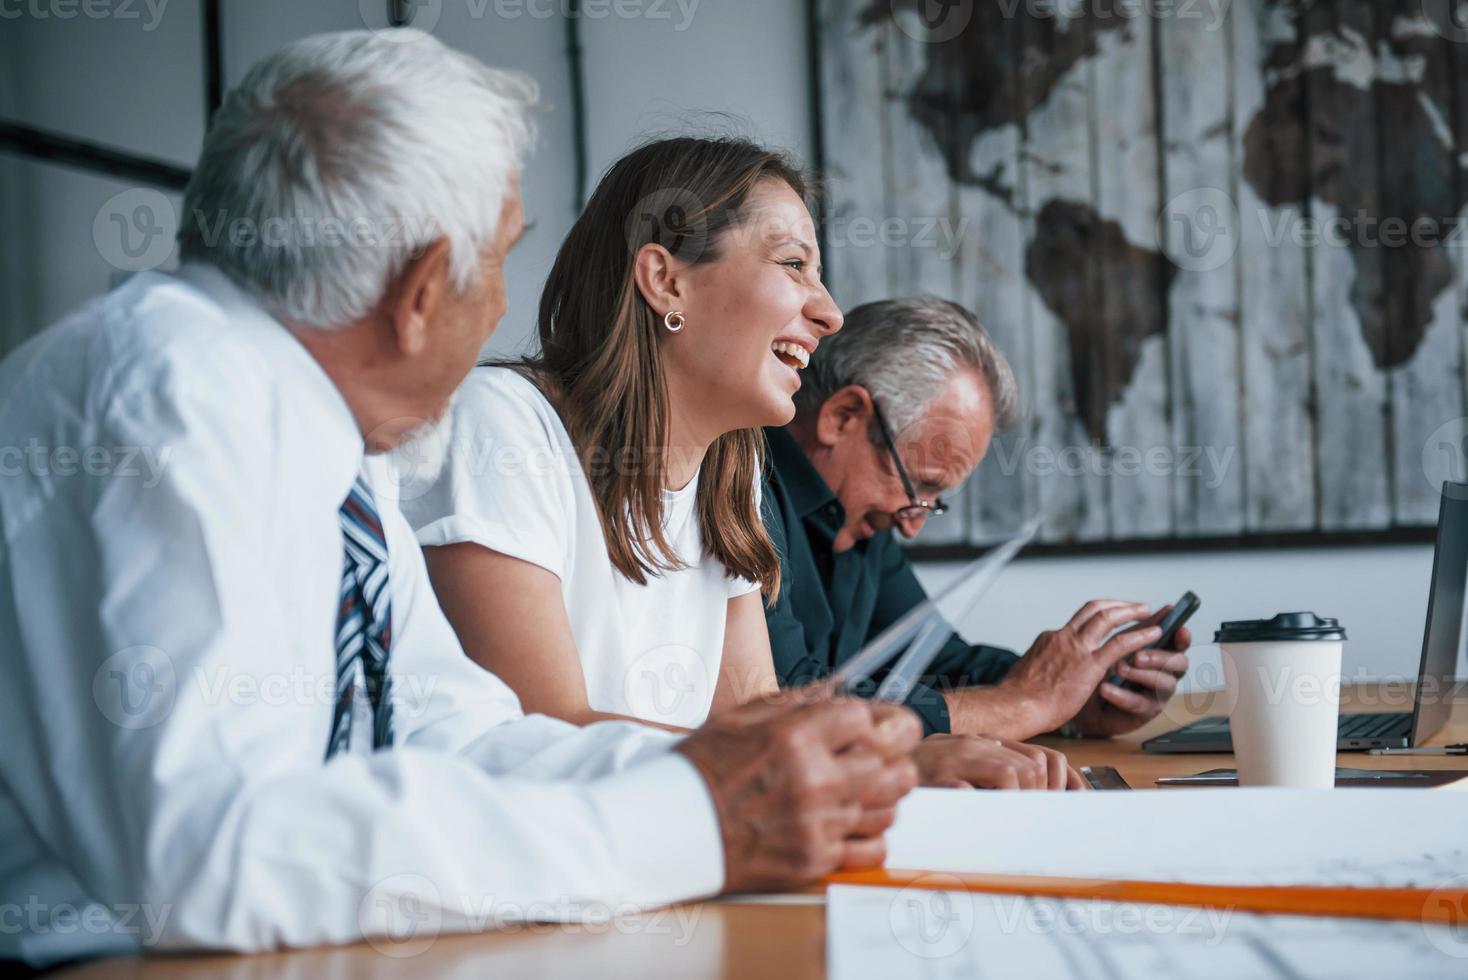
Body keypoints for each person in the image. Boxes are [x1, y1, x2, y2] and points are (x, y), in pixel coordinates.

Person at [0, 32, 921, 972]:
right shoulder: (176, 387)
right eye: (499, 264)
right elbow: (205, 858)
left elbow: (461, 732)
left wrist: (736, 779)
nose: (499, 309)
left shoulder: (322, 448)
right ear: (424, 289)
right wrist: (691, 821)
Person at [401, 138, 1082, 790]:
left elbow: (756, 713)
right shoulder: (501, 428)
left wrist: (905, 748)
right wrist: (901, 760)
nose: (831, 312)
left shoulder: (728, 470)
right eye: (794, 265)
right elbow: (542, 741)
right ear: (666, 280)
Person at [763, 296, 1192, 741]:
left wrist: (1079, 697)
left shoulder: (867, 517)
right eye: (920, 483)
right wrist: (1025, 704)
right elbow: (788, 700)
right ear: (843, 416)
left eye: (935, 498)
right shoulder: (739, 488)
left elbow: (936, 666)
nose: (913, 527)